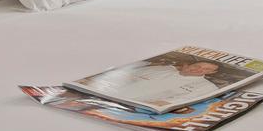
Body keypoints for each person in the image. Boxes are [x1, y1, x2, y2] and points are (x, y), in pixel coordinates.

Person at [81, 57, 221, 104]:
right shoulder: (160, 68)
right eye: (197, 66)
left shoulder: (207, 87)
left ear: (211, 73)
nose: (199, 70)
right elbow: (123, 76)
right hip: (100, 94)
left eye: (206, 69)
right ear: (186, 65)